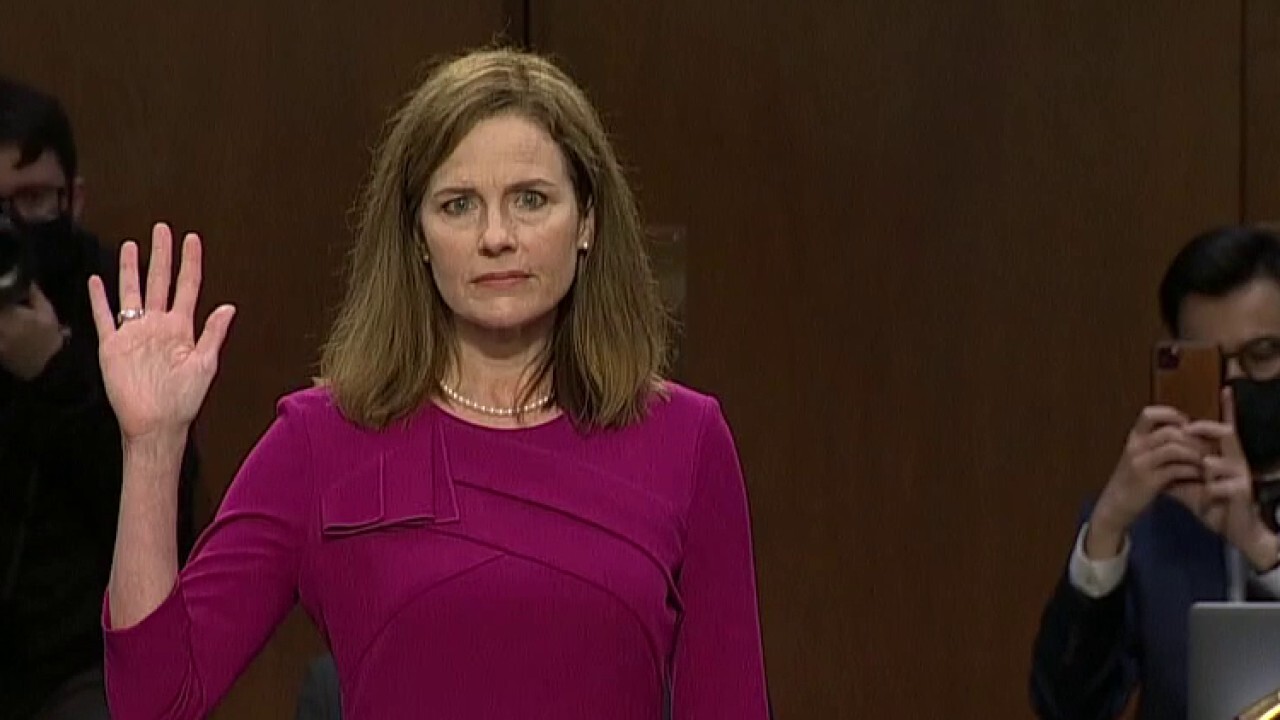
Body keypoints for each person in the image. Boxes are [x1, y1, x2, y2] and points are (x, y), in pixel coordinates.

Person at [93, 48, 770, 719]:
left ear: (587, 221)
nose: (496, 236)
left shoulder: (687, 440)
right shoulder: (320, 442)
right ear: (417, 235)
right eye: (458, 205)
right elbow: (156, 700)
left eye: (531, 200)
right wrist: (151, 449)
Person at [0, 78, 199, 720]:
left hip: (82, 655)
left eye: (30, 199)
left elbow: (166, 508)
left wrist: (54, 370)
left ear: (73, 199)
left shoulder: (123, 304)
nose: (9, 228)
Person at [1030, 226, 1280, 720]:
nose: (1234, 382)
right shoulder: (1150, 524)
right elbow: (1067, 708)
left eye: (1262, 355)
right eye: (1213, 363)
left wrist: (1261, 550)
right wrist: (1105, 531)